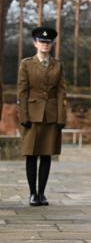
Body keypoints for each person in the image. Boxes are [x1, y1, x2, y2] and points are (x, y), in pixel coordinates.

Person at [17, 27, 67, 207]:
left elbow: (62, 92)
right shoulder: (26, 64)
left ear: (51, 45)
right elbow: (22, 92)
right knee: (31, 155)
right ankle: (32, 194)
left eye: (48, 42)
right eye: (41, 41)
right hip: (31, 116)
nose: (45, 45)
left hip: (51, 116)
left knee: (46, 155)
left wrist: (62, 118)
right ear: (35, 43)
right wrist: (23, 116)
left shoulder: (58, 65)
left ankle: (42, 194)